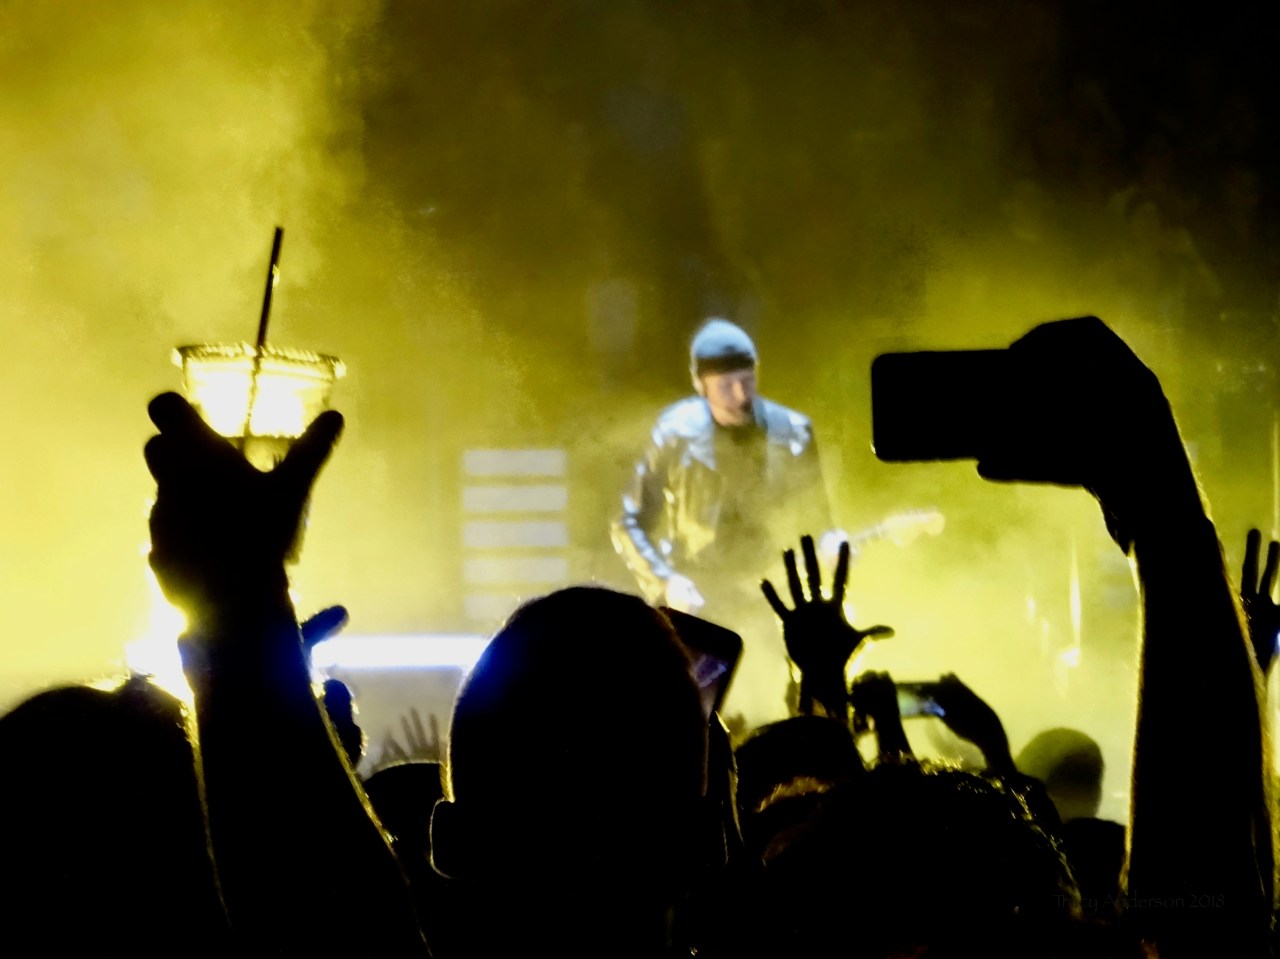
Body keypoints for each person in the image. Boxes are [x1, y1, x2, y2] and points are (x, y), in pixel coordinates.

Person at [612, 317, 841, 730]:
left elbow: (818, 521)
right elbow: (627, 520)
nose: (740, 395)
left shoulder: (793, 432)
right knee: (695, 722)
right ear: (700, 384)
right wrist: (665, 581)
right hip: (701, 603)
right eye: (726, 385)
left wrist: (832, 548)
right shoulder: (675, 432)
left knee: (786, 720)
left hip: (773, 602)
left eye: (747, 380)